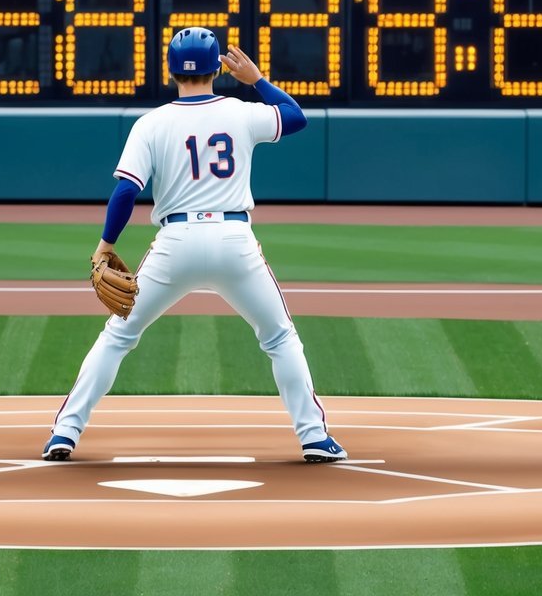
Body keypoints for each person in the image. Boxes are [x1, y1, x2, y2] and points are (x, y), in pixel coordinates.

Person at [43, 28, 347, 464]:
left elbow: (126, 192)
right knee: (279, 337)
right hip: (234, 241)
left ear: (170, 70)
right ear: (216, 69)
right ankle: (314, 436)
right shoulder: (242, 113)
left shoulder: (151, 123)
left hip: (176, 243)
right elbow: (295, 117)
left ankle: (64, 433)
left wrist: (105, 244)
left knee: (119, 336)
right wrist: (257, 80)